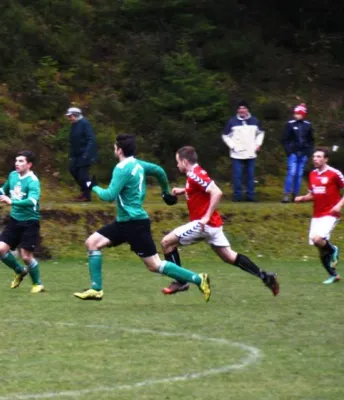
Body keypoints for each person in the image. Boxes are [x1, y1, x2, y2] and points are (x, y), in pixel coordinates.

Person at [73, 134, 211, 302]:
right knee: (92, 243)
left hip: (135, 224)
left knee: (155, 265)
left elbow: (109, 195)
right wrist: (164, 192)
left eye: (115, 147)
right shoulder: (139, 164)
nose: (114, 150)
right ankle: (96, 289)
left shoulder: (122, 168)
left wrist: (92, 187)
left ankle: (198, 279)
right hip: (123, 222)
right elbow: (159, 171)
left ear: (120, 150)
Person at [160, 146, 279, 296]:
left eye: (177, 162)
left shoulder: (195, 175)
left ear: (184, 161)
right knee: (229, 256)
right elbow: (200, 188)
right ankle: (265, 277)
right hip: (213, 226)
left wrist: (206, 216)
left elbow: (217, 192)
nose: (177, 165)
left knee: (166, 243)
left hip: (204, 224)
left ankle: (180, 282)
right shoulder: (195, 174)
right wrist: (184, 190)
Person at [0, 150, 45, 293]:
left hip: (30, 222)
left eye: (21, 161)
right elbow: (4, 189)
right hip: (15, 221)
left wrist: (12, 202)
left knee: (26, 256)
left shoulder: (33, 181)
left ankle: (37, 284)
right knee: (0, 249)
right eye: (16, 160)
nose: (17, 163)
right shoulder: (13, 176)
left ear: (29, 164)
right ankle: (19, 271)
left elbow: (32, 201)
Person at [294, 147, 344, 284]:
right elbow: (313, 194)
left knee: (317, 240)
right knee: (320, 247)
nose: (315, 159)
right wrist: (302, 198)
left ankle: (334, 249)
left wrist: (339, 205)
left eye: (319, 156)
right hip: (317, 215)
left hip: (330, 214)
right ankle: (333, 275)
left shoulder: (334, 174)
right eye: (314, 157)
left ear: (326, 159)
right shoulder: (313, 175)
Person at [222, 100, 264, 202]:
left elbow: (260, 133)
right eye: (240, 108)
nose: (242, 110)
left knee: (250, 175)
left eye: (244, 108)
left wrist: (258, 144)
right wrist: (233, 146)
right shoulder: (232, 121)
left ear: (247, 109)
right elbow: (225, 136)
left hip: (251, 153)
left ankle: (250, 196)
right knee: (237, 176)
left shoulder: (254, 120)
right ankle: (237, 197)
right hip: (237, 153)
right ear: (237, 110)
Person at [281, 103, 314, 203]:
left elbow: (311, 140)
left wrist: (308, 152)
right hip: (293, 153)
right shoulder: (290, 124)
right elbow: (284, 139)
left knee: (299, 174)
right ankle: (286, 194)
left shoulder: (308, 125)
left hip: (303, 153)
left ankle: (295, 194)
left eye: (298, 113)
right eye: (295, 113)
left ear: (303, 114)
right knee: (291, 172)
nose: (296, 115)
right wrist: (289, 151)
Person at [66, 107, 98, 202]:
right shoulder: (74, 124)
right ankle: (90, 186)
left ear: (76, 115)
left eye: (70, 116)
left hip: (85, 154)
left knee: (83, 176)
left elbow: (91, 139)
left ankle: (87, 195)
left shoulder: (84, 123)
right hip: (76, 154)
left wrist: (87, 153)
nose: (69, 118)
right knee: (73, 170)